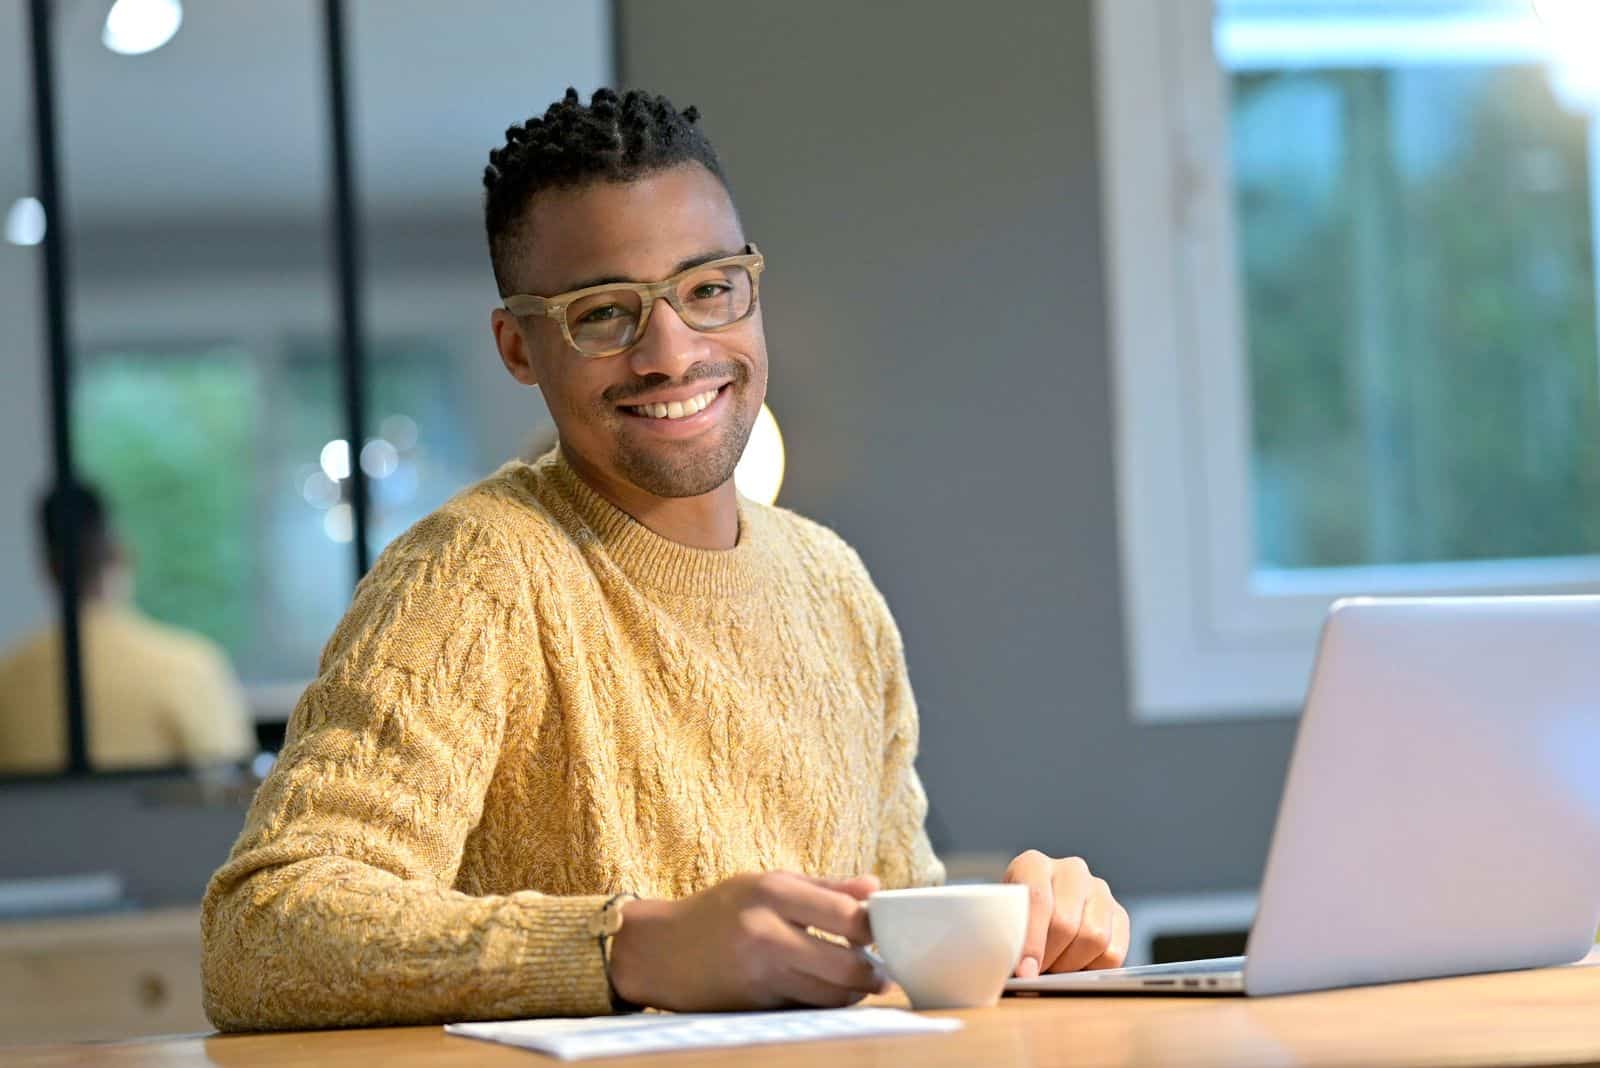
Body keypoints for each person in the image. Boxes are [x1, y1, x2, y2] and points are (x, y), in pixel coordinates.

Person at [201, 88, 1128, 1031]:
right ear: (519, 346)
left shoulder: (835, 584)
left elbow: (882, 946)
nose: (671, 352)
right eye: (603, 314)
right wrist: (630, 947)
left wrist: (1021, 937)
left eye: (708, 288)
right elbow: (259, 935)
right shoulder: (473, 574)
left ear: (750, 287)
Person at [0, 482, 255, 773]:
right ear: (122, 554)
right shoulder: (190, 667)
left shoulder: (6, 680)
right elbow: (239, 797)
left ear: (48, 569)